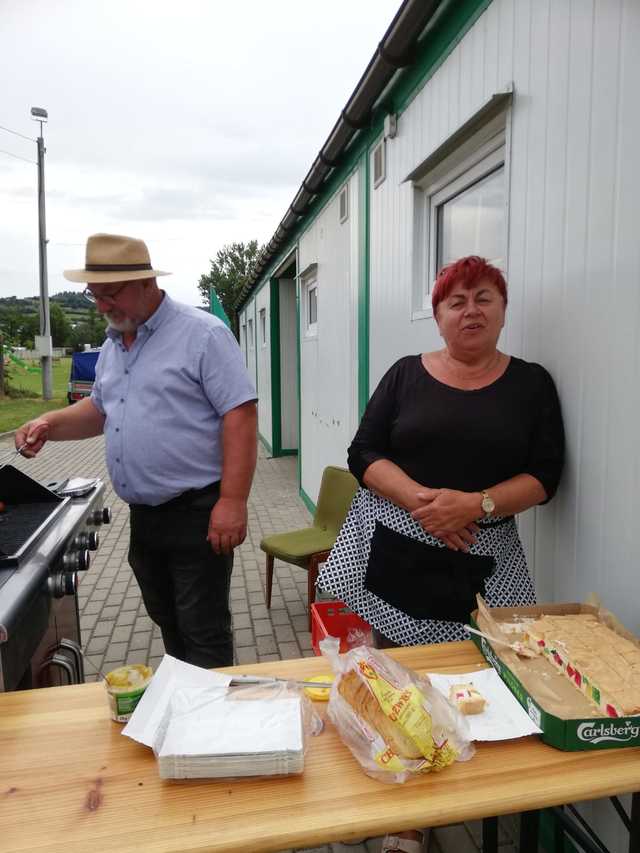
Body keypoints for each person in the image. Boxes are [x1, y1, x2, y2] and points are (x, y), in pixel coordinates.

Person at [317, 255, 564, 853]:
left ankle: (448, 801)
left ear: (503, 309)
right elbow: (363, 452)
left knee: (469, 678)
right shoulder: (405, 374)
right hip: (385, 545)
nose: (471, 310)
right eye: (456, 301)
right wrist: (428, 504)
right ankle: (389, 813)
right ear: (438, 316)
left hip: (481, 554)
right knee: (380, 684)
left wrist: (474, 506)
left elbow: (545, 476)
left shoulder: (531, 384)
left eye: (483, 297)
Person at [15, 233, 257, 669]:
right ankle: (184, 707)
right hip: (146, 518)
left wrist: (233, 501)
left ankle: (213, 726)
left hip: (198, 513)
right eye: (95, 296)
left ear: (147, 282)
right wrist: (48, 424)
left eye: (112, 294)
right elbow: (101, 410)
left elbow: (239, 415)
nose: (104, 306)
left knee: (203, 631)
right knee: (168, 620)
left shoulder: (202, 335)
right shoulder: (114, 345)